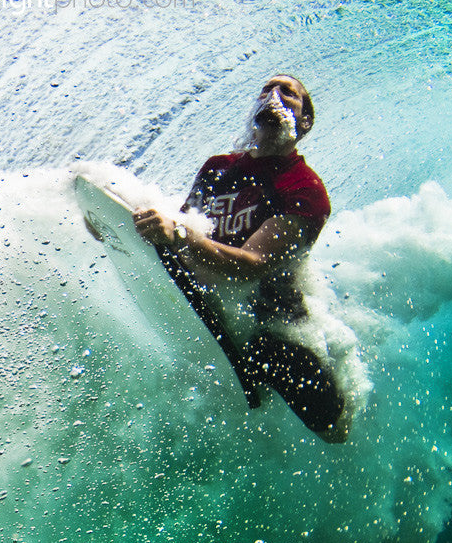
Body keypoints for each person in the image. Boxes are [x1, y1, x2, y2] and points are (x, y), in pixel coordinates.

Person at [132, 74, 349, 443]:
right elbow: (180, 232)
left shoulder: (303, 188)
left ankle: (339, 422)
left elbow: (252, 263)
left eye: (288, 93)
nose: (273, 96)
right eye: (266, 89)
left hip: (273, 324)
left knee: (332, 429)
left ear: (305, 121)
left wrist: (178, 233)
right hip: (212, 301)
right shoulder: (217, 167)